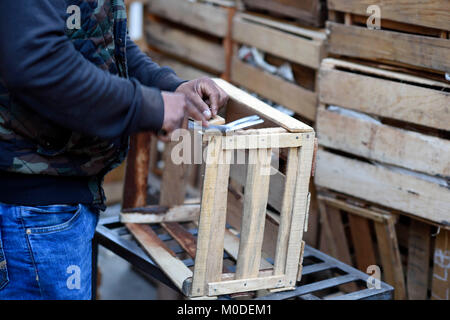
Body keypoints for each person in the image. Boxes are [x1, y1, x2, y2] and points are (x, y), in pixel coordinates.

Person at [0, 0, 228, 299]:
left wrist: (167, 85)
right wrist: (148, 105)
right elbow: (37, 60)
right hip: (31, 210)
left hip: (57, 199)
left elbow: (101, 43)